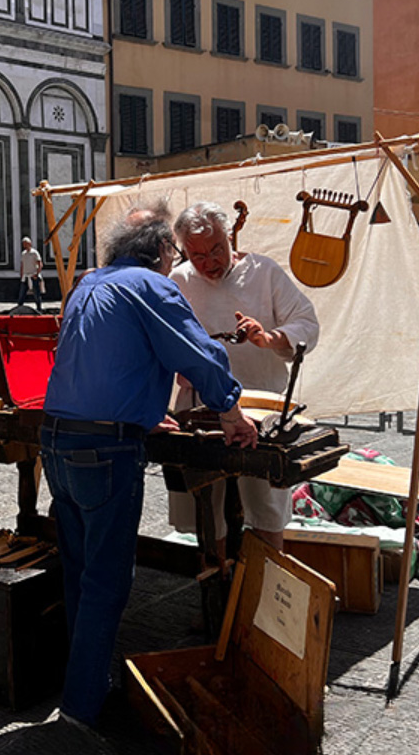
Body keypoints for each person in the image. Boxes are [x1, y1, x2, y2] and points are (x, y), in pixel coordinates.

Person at [40, 204, 258, 729]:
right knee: (107, 582)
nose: (175, 264)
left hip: (57, 439)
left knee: (80, 571)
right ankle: (83, 706)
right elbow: (197, 353)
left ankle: (76, 682)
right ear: (162, 252)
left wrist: (141, 411)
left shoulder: (88, 285)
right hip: (104, 452)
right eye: (174, 255)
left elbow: (100, 359)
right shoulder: (151, 284)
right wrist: (231, 412)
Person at [168, 201, 320, 553]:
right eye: (198, 255)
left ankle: (268, 585)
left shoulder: (262, 271)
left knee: (265, 501)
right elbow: (162, 336)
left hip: (262, 404)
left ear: (229, 237)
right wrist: (180, 364)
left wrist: (270, 338)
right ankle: (217, 581)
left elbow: (307, 323)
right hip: (201, 409)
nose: (209, 263)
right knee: (207, 502)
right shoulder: (179, 280)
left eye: (216, 250)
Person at [17, 236, 44, 312]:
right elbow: (22, 264)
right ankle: (19, 307)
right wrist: (21, 274)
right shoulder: (23, 254)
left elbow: (40, 264)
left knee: (36, 293)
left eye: (26, 244)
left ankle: (39, 308)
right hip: (25, 276)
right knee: (22, 292)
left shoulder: (34, 253)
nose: (24, 246)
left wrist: (37, 273)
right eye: (23, 244)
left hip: (33, 275)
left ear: (30, 244)